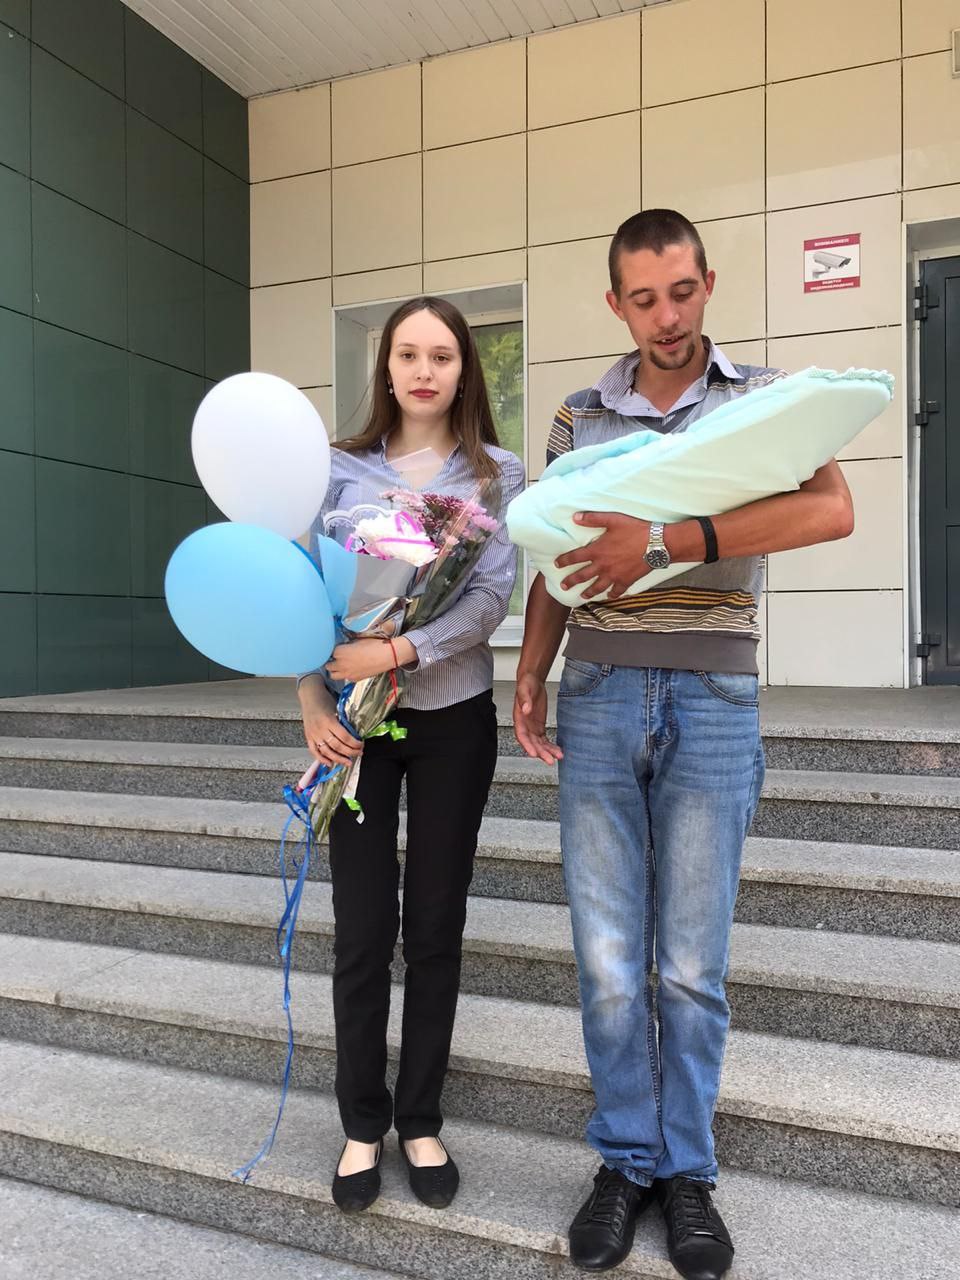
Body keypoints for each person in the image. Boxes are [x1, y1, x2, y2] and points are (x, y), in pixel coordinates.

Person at [513, 210, 854, 1279]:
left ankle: (688, 1172)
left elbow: (830, 510)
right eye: (644, 299)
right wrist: (529, 670)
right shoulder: (578, 416)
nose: (666, 317)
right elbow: (552, 556)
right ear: (617, 303)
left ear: (707, 283)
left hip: (713, 695)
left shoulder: (767, 399)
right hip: (598, 690)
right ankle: (626, 1160)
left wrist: (665, 541)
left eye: (681, 292)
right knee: (611, 962)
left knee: (693, 966)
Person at [297, 297, 524, 1215]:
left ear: (465, 368)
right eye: (407, 354)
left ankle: (420, 1119)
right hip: (352, 728)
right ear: (385, 367)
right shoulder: (335, 471)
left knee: (434, 928)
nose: (424, 371)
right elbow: (300, 596)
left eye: (442, 355)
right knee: (361, 931)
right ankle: (362, 1124)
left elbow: (490, 600)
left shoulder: (495, 473)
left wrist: (397, 652)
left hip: (450, 721)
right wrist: (312, 702)